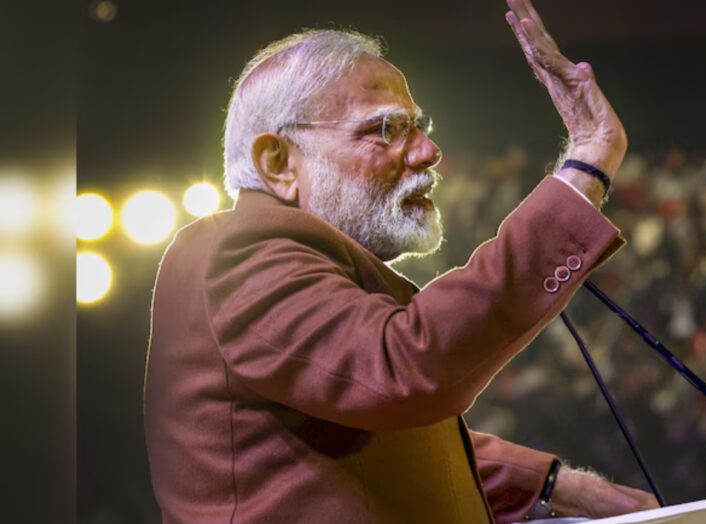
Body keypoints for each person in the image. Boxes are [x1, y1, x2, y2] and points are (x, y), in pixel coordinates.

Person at [144, 0, 658, 522]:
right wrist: (584, 169)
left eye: (419, 126)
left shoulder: (288, 263)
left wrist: (553, 485)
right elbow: (402, 369)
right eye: (387, 129)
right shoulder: (235, 252)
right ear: (279, 163)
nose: (429, 151)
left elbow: (369, 442)